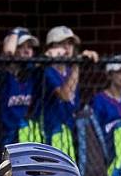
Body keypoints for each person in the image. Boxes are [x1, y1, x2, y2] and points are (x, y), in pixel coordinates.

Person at [36, 26, 99, 162]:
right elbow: (65, 95)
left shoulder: (70, 70)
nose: (67, 48)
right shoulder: (47, 71)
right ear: (51, 47)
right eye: (62, 43)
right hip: (51, 134)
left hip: (69, 133)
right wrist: (77, 65)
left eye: (70, 43)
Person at [0, 28, 41, 147]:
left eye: (30, 47)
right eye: (22, 46)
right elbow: (8, 54)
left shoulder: (31, 74)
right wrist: (15, 32)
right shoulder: (1, 75)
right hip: (1, 138)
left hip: (22, 137)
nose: (27, 51)